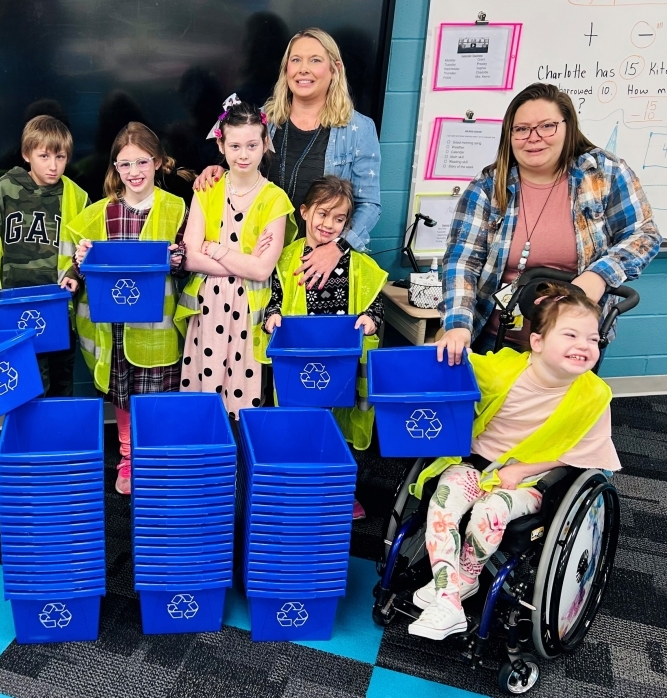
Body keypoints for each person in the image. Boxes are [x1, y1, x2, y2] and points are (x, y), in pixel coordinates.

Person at [408, 283, 620, 640]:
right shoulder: (505, 369)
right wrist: (439, 349)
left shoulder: (594, 396)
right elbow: (461, 364)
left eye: (593, 339)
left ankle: (467, 578)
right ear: (537, 342)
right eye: (570, 334)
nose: (584, 345)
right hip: (476, 463)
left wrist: (523, 469)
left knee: (489, 513)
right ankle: (448, 599)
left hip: (531, 481)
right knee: (442, 506)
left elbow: (583, 453)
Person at [436, 82, 661, 365]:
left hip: (572, 347)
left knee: (565, 411)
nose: (534, 137)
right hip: (495, 341)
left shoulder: (604, 174)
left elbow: (644, 234)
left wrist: (600, 276)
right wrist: (457, 324)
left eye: (547, 126)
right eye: (521, 129)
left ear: (568, 127)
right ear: (509, 134)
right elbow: (462, 260)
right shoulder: (487, 188)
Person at [194, 28, 381, 290]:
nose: (303, 69)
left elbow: (369, 204)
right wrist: (219, 169)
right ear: (286, 70)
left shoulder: (359, 129)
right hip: (255, 261)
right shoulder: (260, 120)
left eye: (315, 60)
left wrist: (337, 249)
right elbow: (240, 165)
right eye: (296, 60)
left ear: (334, 68)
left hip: (315, 269)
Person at [67, 123, 187, 495]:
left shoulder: (176, 207)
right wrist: (77, 263)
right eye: (124, 165)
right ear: (114, 169)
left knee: (156, 393)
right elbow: (81, 259)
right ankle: (128, 456)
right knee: (123, 394)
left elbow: (186, 260)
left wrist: (176, 257)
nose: (133, 172)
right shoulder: (101, 213)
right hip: (116, 324)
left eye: (141, 162)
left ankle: (154, 456)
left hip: (158, 325)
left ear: (158, 162)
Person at [263, 176, 386, 520]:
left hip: (343, 363)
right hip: (300, 363)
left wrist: (370, 321)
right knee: (300, 426)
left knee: (340, 430)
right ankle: (299, 487)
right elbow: (271, 301)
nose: (329, 225)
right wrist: (272, 318)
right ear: (304, 212)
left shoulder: (358, 264)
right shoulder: (286, 260)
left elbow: (376, 305)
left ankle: (340, 491)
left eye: (339, 219)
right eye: (323, 214)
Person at [176, 100, 296, 419]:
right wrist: (241, 261)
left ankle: (241, 462)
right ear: (221, 144)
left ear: (265, 142)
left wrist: (213, 248)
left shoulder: (275, 200)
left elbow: (261, 269)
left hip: (249, 313)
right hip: (208, 308)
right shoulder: (207, 188)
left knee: (244, 396)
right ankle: (206, 460)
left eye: (252, 145)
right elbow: (188, 258)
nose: (243, 155)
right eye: (235, 146)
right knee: (205, 392)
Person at [0, 115, 87, 396]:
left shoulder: (76, 197)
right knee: (28, 382)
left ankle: (58, 437)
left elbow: (88, 248)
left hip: (58, 309)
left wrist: (75, 274)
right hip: (13, 307)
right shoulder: (5, 188)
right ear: (26, 154)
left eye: (60, 156)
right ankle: (31, 437)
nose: (53, 165)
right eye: (44, 156)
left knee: (61, 380)